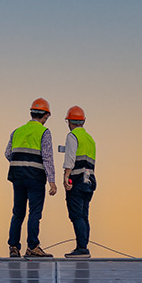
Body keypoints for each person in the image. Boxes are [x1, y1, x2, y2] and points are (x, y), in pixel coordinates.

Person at [5, 97, 57, 258]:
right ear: (45, 116)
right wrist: (52, 181)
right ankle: (33, 247)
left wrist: (21, 163)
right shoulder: (44, 132)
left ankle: (13, 247)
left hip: (17, 176)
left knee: (18, 212)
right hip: (35, 177)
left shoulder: (17, 131)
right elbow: (47, 157)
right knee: (34, 212)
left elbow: (8, 153)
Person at [61, 105, 96, 258]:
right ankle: (83, 246)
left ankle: (81, 248)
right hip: (89, 179)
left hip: (76, 179)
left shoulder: (72, 136)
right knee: (84, 215)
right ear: (83, 121)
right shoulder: (90, 139)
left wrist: (66, 177)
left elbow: (70, 159)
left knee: (76, 215)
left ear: (69, 122)